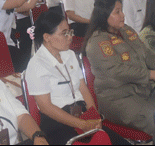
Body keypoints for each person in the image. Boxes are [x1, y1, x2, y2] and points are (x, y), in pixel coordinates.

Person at [26, 10, 130, 145]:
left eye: (70, 32)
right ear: (47, 37)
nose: (70, 37)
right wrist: (81, 124)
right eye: (64, 33)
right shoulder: (37, 64)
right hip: (58, 122)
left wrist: (94, 117)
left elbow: (83, 89)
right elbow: (46, 107)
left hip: (82, 114)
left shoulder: (69, 55)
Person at [84, 0, 155, 140]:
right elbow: (116, 71)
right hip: (117, 98)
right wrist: (149, 74)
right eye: (117, 12)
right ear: (104, 15)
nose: (123, 15)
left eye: (122, 10)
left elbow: (146, 53)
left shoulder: (126, 30)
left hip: (141, 91)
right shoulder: (97, 42)